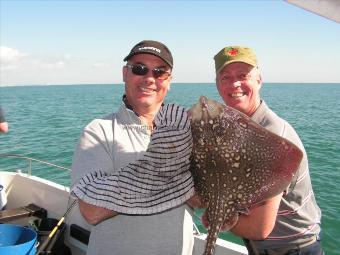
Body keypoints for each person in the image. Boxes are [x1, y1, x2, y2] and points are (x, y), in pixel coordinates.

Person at [71, 40, 195, 255]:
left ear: (169, 80)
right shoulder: (99, 131)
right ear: (124, 73)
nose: (149, 78)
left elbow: (201, 197)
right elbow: (91, 210)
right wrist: (169, 174)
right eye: (139, 69)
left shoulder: (189, 131)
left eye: (159, 72)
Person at [204, 45, 323, 254]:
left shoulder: (274, 137)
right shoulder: (238, 128)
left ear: (259, 80)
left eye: (243, 75)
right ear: (217, 84)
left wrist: (217, 218)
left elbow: (259, 228)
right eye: (226, 78)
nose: (235, 84)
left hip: (293, 249)